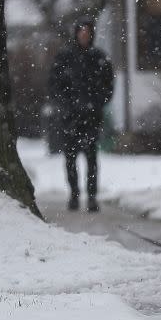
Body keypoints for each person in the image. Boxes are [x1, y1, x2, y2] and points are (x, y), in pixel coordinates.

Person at [48, 17, 115, 212]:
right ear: (76, 34)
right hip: (70, 118)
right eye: (81, 32)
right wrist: (66, 105)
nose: (84, 36)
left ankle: (92, 196)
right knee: (70, 158)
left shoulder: (99, 58)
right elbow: (54, 85)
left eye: (87, 32)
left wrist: (96, 103)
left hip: (92, 117)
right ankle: (74, 194)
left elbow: (108, 86)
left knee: (91, 158)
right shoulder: (64, 58)